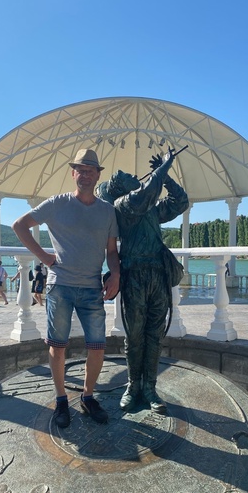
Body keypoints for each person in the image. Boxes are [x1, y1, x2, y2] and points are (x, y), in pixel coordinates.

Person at [12, 148, 120, 428]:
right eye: (80, 170)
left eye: (90, 170)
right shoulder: (56, 204)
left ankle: (88, 396)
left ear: (98, 175)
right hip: (60, 286)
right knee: (57, 346)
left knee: (97, 347)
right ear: (73, 174)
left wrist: (116, 274)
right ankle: (61, 399)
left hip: (92, 288)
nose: (85, 175)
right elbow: (20, 226)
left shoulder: (107, 211)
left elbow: (111, 251)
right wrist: (44, 257)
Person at [97, 148, 189, 414]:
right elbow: (147, 193)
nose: (132, 175)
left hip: (158, 275)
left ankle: (150, 387)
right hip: (135, 276)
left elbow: (180, 202)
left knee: (155, 336)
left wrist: (166, 177)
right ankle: (133, 385)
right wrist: (164, 167)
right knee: (135, 336)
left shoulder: (150, 209)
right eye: (124, 175)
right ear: (118, 187)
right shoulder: (123, 206)